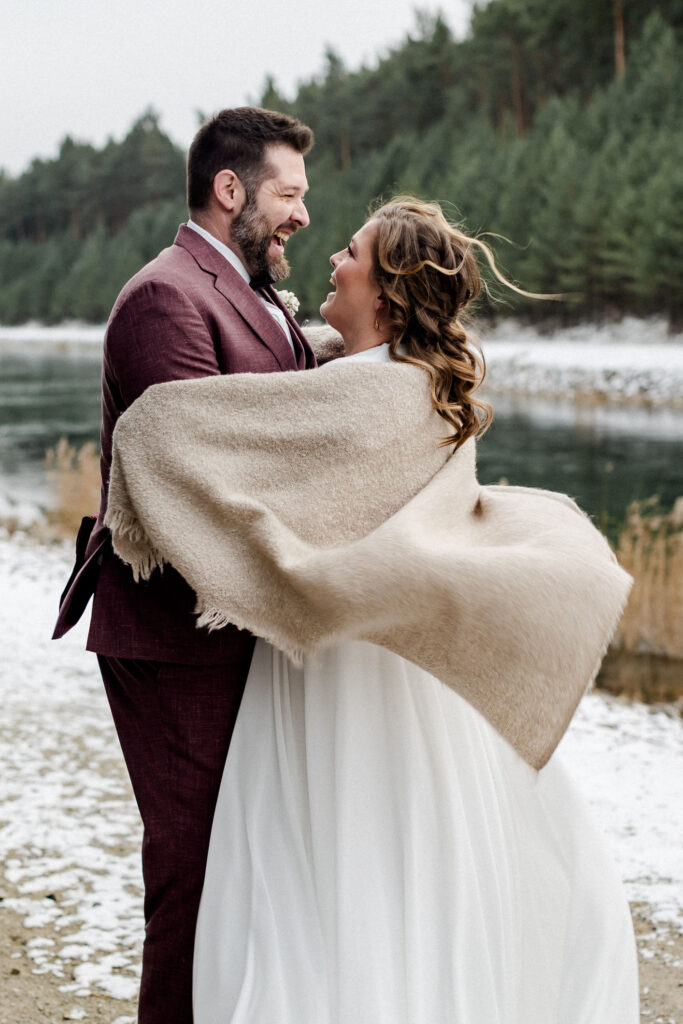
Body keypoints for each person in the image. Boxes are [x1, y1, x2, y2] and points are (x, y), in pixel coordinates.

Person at [105, 198, 640, 1022]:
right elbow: (315, 388)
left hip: (345, 671)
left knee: (329, 868)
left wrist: (140, 429)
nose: (331, 259)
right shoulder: (410, 382)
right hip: (403, 662)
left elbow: (168, 428)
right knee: (403, 868)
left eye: (350, 252)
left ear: (386, 295)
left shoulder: (361, 396)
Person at [52, 107, 316, 1024]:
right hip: (176, 636)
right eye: (289, 194)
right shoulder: (166, 296)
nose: (302, 216)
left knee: (247, 861)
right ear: (230, 189)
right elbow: (195, 482)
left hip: (238, 628)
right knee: (194, 871)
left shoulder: (258, 296)